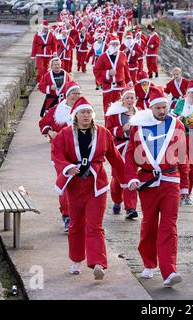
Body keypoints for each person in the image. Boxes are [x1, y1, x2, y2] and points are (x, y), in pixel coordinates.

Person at [51, 96, 126, 280]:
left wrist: (128, 179)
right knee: (76, 225)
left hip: (97, 185)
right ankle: (76, 259)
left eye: (89, 112)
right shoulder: (65, 134)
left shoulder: (103, 133)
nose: (86, 115)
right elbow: (57, 154)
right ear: (75, 115)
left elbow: (115, 158)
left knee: (94, 225)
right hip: (75, 185)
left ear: (93, 115)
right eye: (82, 112)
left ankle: (98, 263)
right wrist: (68, 167)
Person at [126, 86, 189, 287]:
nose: (163, 111)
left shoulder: (176, 125)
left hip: (171, 180)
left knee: (169, 226)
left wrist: (186, 186)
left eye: (165, 107)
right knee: (149, 223)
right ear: (151, 108)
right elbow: (129, 154)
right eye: (159, 108)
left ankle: (169, 270)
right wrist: (130, 178)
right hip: (147, 181)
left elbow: (184, 155)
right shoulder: (138, 126)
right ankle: (149, 262)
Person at [39, 81, 81, 232]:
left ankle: (77, 216)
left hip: (79, 153)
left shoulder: (84, 110)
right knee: (65, 184)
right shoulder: (57, 109)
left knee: (79, 186)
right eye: (74, 93)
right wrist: (50, 132)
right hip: (60, 153)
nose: (77, 96)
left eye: (79, 93)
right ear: (68, 95)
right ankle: (66, 216)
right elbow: (43, 123)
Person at [105, 89, 139, 219]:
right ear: (122, 99)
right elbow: (108, 130)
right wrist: (121, 130)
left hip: (134, 148)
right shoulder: (114, 114)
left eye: (132, 98)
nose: (130, 100)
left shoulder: (139, 113)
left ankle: (130, 208)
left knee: (132, 175)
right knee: (118, 176)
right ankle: (117, 200)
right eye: (127, 98)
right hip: (118, 147)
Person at [93, 35, 133, 115]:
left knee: (122, 109)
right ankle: (109, 126)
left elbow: (126, 69)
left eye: (117, 44)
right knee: (108, 110)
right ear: (109, 45)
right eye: (113, 44)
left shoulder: (122, 55)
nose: (115, 46)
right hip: (108, 88)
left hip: (121, 86)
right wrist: (107, 73)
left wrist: (129, 81)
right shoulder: (103, 57)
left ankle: (120, 126)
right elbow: (96, 70)